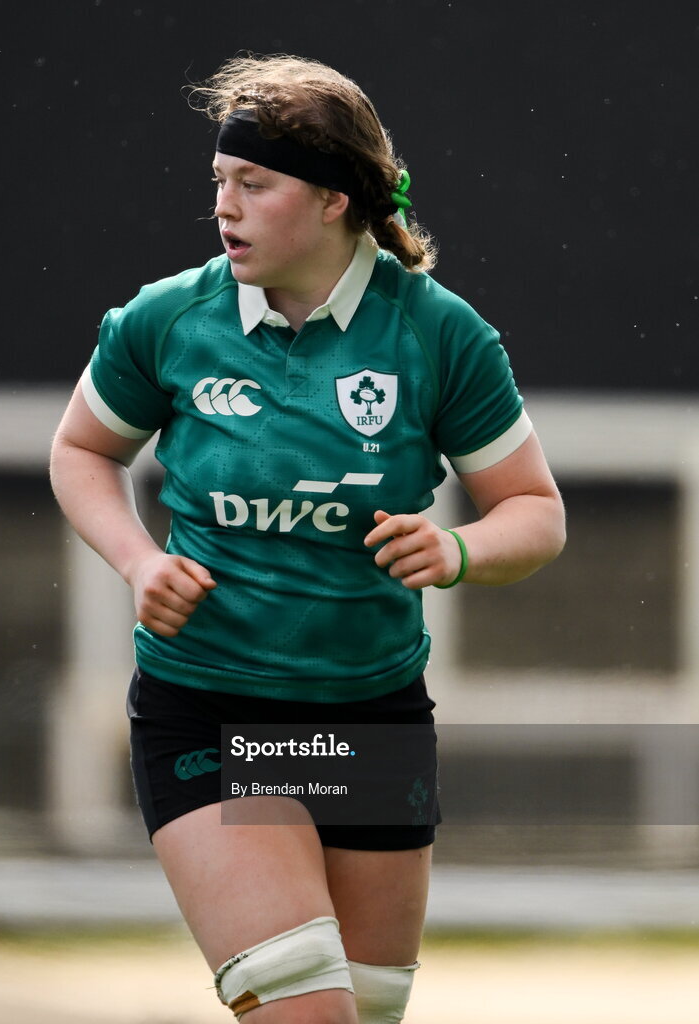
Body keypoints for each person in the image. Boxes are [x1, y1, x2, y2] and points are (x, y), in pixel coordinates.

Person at [50, 53, 565, 1024]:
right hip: (206, 707)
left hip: (367, 714)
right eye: (219, 180)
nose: (223, 206)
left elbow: (533, 512)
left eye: (254, 183)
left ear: (334, 200)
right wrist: (138, 559)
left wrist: (456, 551)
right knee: (302, 1008)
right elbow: (82, 450)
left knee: (364, 1011)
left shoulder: (436, 335)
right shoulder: (169, 319)